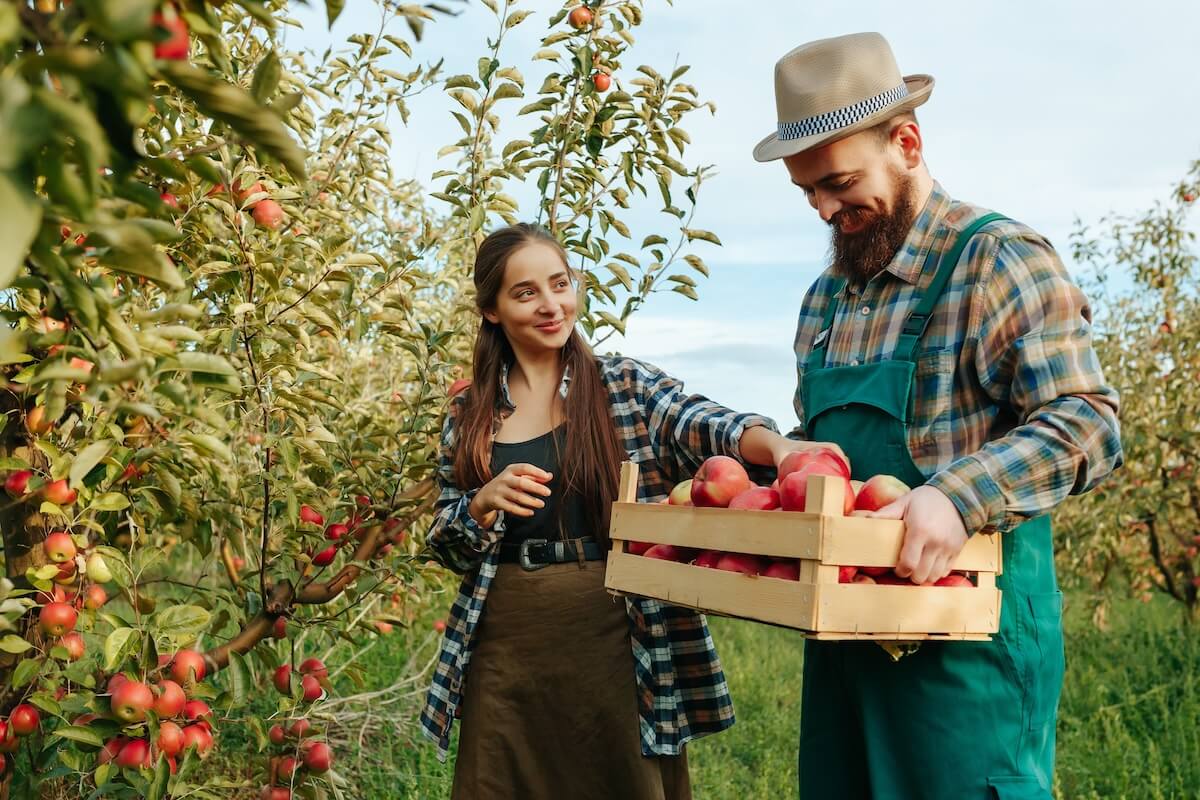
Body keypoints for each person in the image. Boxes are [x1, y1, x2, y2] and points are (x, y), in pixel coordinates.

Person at [751, 32, 1123, 799]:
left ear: (908, 142)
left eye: (840, 182)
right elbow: (831, 462)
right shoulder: (825, 303)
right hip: (845, 648)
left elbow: (1087, 420)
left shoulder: (997, 261)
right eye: (808, 192)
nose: (825, 209)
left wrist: (958, 497)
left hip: (966, 652)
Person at [417, 222, 814, 799]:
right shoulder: (471, 414)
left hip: (612, 630)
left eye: (561, 283)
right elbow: (444, 544)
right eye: (526, 293)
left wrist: (776, 448)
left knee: (619, 777)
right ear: (493, 310)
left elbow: (703, 425)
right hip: (508, 638)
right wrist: (479, 505)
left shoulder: (621, 385)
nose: (552, 305)